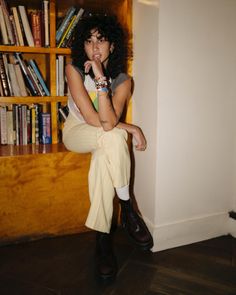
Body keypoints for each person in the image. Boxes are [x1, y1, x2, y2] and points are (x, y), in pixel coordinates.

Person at [62, 14, 153, 282]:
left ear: (113, 46)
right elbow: (94, 120)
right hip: (77, 132)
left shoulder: (123, 81)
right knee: (113, 136)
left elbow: (109, 122)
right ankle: (128, 208)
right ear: (83, 46)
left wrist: (102, 76)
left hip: (103, 135)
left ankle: (103, 240)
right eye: (89, 41)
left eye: (101, 41)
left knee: (108, 148)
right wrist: (131, 128)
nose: (95, 48)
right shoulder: (73, 70)